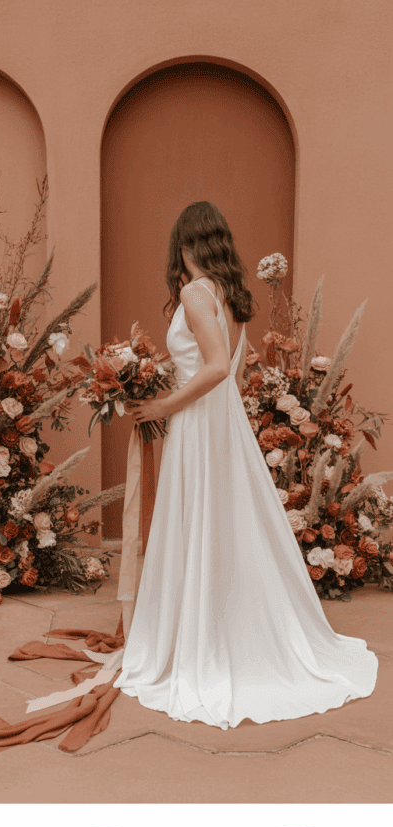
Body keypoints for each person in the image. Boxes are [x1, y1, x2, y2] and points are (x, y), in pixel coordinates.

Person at [115, 200, 378, 729]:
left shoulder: (194, 292)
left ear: (183, 244)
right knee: (224, 525)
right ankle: (226, 625)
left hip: (197, 424)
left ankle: (202, 640)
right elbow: (223, 371)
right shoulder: (226, 295)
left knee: (203, 522)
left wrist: (164, 404)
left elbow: (212, 367)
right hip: (219, 425)